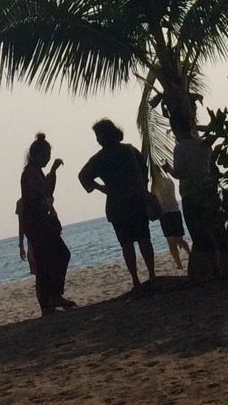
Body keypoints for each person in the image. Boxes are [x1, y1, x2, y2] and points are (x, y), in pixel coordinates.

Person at [78, 118, 156, 289]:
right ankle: (151, 275)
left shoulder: (99, 159)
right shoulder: (129, 150)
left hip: (117, 204)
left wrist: (100, 187)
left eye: (98, 135)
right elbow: (144, 171)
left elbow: (83, 176)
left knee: (127, 243)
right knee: (143, 238)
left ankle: (136, 279)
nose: (98, 139)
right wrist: (142, 188)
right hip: (134, 200)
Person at [19, 133, 76, 314]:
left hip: (38, 222)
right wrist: (53, 171)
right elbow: (46, 191)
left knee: (50, 259)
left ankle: (50, 301)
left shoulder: (35, 171)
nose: (48, 158)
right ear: (38, 155)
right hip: (37, 223)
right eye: (46, 155)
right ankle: (50, 300)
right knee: (57, 256)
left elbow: (46, 193)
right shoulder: (31, 172)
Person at [172, 125, 228, 278]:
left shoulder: (180, 148)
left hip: (192, 194)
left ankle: (214, 269)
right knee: (217, 228)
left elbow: (179, 173)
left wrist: (168, 169)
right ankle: (225, 267)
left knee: (201, 234)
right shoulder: (203, 143)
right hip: (208, 189)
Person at [154, 170, 190, 271]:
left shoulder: (160, 184)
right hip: (172, 211)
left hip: (168, 213)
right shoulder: (168, 181)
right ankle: (182, 261)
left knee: (174, 240)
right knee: (176, 240)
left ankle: (183, 260)